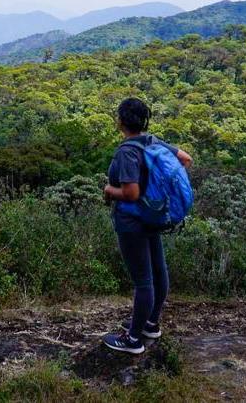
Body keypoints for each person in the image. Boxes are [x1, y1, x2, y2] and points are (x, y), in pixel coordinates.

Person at [101, 97, 193, 354]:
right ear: (143, 121)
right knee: (158, 271)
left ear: (121, 121)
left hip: (133, 221)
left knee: (143, 281)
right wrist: (159, 194)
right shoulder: (151, 141)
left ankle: (133, 341)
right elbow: (185, 159)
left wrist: (109, 189)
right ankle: (150, 324)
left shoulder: (127, 151)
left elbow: (130, 192)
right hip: (154, 216)